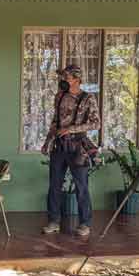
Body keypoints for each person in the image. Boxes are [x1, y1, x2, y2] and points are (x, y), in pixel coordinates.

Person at [42, 64, 101, 237]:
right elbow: (55, 122)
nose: (63, 80)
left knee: (81, 186)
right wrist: (47, 141)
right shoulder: (59, 96)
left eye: (67, 77)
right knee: (54, 185)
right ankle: (53, 222)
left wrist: (72, 129)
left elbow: (96, 124)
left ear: (77, 79)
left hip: (78, 147)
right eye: (63, 77)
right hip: (59, 146)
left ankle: (85, 224)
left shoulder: (88, 98)